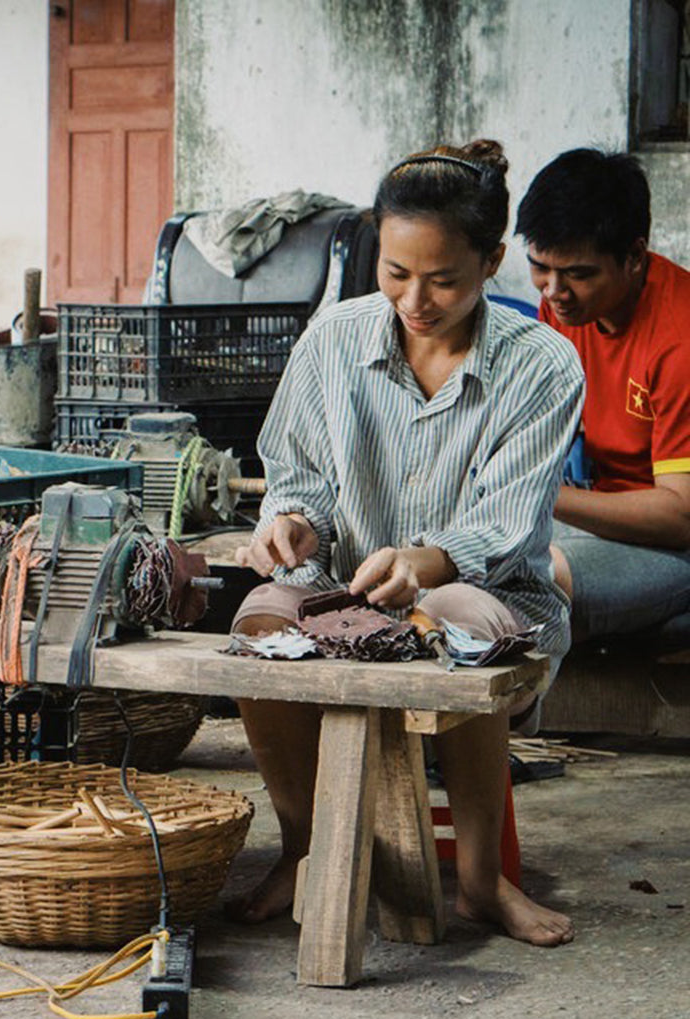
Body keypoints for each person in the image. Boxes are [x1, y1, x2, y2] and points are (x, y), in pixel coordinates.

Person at [228, 141, 583, 947]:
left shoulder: (543, 366)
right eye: (395, 272)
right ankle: (305, 846)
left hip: (494, 597)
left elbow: (508, 522)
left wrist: (427, 562)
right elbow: (300, 473)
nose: (415, 299)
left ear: (493, 259)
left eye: (444, 279)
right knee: (259, 621)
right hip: (343, 593)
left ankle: (480, 879)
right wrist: (293, 521)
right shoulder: (335, 338)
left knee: (454, 617)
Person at [514, 149, 690, 645]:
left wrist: (544, 493)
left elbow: (681, 516)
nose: (553, 291)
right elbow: (541, 434)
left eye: (578, 273)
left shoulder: (680, 340)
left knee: (536, 583)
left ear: (635, 256)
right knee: (467, 556)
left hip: (676, 543)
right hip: (614, 523)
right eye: (539, 268)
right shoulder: (565, 312)